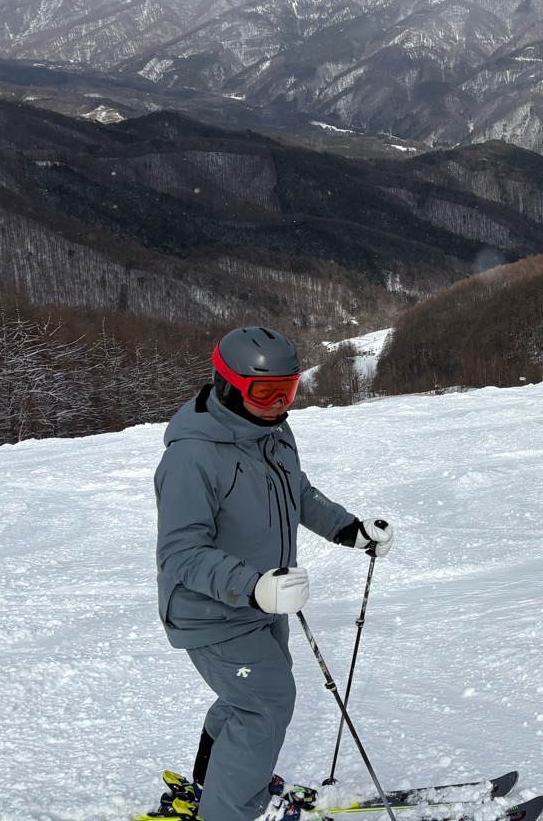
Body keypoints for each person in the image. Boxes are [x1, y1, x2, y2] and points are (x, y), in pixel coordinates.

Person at [152, 326, 394, 821]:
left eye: (288, 389)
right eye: (265, 392)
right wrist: (253, 586)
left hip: (264, 601)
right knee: (265, 704)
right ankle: (231, 809)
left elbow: (296, 491)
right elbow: (179, 552)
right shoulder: (192, 456)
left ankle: (212, 787)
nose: (279, 404)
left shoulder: (273, 432)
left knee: (245, 699)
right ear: (227, 385)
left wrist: (348, 529)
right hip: (212, 610)